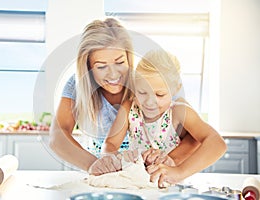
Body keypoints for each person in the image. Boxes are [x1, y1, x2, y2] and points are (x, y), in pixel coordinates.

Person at [49, 17, 199, 176]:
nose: (113, 74)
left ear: (129, 57)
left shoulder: (147, 81)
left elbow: (194, 136)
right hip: (101, 176)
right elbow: (57, 136)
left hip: (148, 178)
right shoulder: (77, 85)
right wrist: (94, 164)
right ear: (88, 67)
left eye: (120, 62)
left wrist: (166, 161)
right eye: (101, 66)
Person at [102, 49, 227, 187]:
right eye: (142, 92)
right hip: (137, 186)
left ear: (174, 89)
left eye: (160, 94)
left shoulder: (179, 111)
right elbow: (109, 144)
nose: (150, 102)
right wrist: (117, 158)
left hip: (170, 187)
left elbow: (217, 143)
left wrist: (179, 171)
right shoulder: (128, 108)